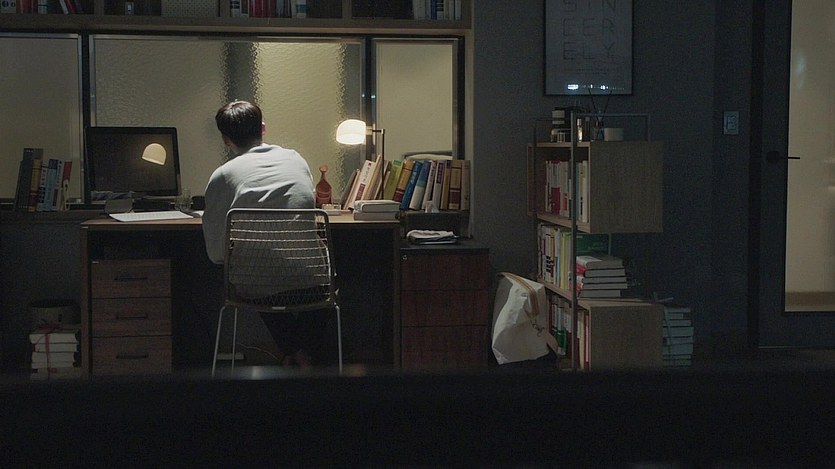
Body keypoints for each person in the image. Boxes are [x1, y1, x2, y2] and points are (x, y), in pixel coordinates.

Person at [202, 100, 324, 368]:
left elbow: (216, 254)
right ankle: (300, 355)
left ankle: (295, 353)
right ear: (263, 128)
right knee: (311, 288)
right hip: (312, 280)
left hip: (256, 285)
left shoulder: (223, 175)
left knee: (258, 278)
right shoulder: (296, 159)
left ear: (225, 139)